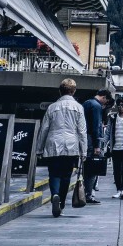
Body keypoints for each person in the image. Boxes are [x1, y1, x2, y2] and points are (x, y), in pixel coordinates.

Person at [35, 77, 87, 218]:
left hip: (53, 144)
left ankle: (55, 195)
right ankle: (61, 204)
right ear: (74, 91)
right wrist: (84, 151)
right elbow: (82, 131)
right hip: (71, 145)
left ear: (60, 91)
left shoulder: (52, 107)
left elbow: (44, 129)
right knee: (66, 176)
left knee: (54, 173)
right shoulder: (79, 108)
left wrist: (39, 148)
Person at [81, 89, 111, 204]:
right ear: (103, 97)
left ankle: (84, 192)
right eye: (106, 101)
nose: (105, 104)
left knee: (85, 168)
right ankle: (88, 194)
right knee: (92, 169)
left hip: (84, 139)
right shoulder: (96, 106)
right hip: (91, 141)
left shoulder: (87, 103)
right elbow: (96, 127)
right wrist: (97, 145)